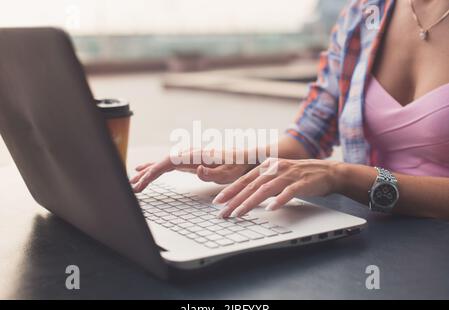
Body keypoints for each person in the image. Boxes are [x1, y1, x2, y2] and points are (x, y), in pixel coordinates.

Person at [131, 0, 449, 220]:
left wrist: (344, 177)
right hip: (375, 234)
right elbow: (307, 137)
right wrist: (242, 160)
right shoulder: (364, 15)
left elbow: (341, 175)